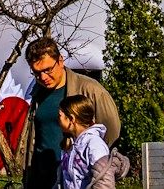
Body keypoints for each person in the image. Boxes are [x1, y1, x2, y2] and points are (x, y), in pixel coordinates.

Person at [24, 37, 121, 189]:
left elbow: (111, 132)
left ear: (61, 60)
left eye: (48, 70)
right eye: (37, 73)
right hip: (41, 181)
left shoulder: (91, 90)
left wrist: (89, 167)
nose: (43, 77)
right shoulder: (37, 93)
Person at [59, 95, 128, 189]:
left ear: (71, 119)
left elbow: (104, 182)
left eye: (60, 116)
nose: (57, 120)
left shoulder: (94, 145)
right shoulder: (69, 145)